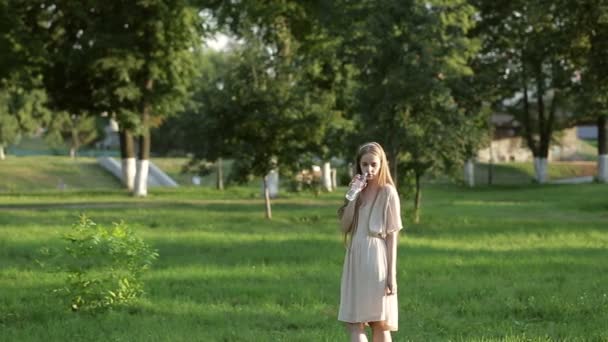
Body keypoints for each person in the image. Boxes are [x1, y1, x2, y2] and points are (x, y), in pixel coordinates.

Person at [337, 142, 403, 342]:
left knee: (379, 322)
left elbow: (392, 236)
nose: (369, 169)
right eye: (364, 164)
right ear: (358, 165)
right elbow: (345, 226)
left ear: (382, 164)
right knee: (355, 323)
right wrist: (354, 195)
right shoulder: (357, 190)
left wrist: (391, 275)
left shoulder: (388, 192)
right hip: (355, 255)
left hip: (376, 256)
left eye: (374, 164)